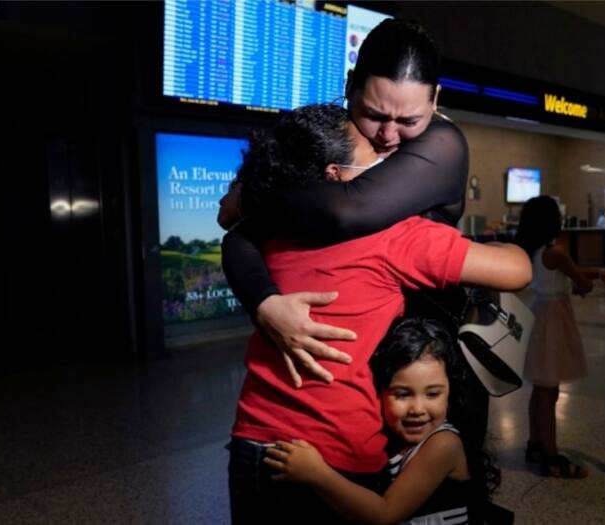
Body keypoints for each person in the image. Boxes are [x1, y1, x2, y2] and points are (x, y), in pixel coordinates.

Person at [227, 103, 531, 524]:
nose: (387, 157)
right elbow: (518, 270)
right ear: (337, 176)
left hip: (252, 444)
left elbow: (233, 229)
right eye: (372, 151)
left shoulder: (273, 229)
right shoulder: (394, 237)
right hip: (333, 455)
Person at [220, 19, 467, 387]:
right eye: (374, 114)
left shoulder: (443, 145)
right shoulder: (328, 138)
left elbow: (345, 211)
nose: (388, 135)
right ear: (350, 84)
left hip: (418, 365)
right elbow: (238, 234)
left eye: (409, 120)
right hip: (336, 370)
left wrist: (258, 187)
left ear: (435, 100)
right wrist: (265, 304)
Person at [265, 318, 498, 524]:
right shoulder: (388, 437)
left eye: (433, 394)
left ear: (450, 392)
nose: (417, 409)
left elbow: (384, 514)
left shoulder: (443, 444)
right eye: (403, 394)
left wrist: (317, 473)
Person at [514, 196, 605, 479]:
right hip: (553, 319)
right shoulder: (556, 251)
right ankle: (551, 458)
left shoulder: (536, 250)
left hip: (541, 313)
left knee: (541, 386)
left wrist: (600, 274)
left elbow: (568, 273)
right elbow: (577, 279)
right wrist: (588, 282)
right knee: (549, 391)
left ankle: (535, 445)